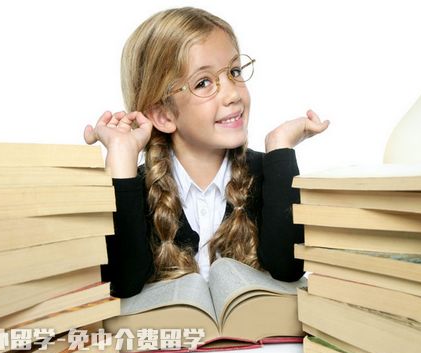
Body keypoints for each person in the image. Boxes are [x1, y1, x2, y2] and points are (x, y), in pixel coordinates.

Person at [83, 7, 329, 298]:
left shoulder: (270, 176)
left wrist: (280, 147)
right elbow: (123, 283)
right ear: (163, 115)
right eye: (203, 82)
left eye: (235, 72)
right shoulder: (137, 190)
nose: (233, 94)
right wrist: (121, 156)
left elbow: (288, 268)